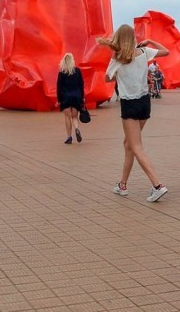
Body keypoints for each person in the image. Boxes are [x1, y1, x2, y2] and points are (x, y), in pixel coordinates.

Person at [98, 25, 169, 202]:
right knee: (129, 144)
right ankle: (122, 184)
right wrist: (151, 41)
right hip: (144, 102)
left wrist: (119, 75)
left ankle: (157, 185)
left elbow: (107, 78)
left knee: (136, 146)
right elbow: (165, 51)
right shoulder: (144, 52)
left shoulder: (118, 57)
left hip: (129, 103)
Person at [56, 53, 85, 144]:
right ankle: (77, 128)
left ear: (63, 62)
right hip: (76, 96)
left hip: (65, 97)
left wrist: (59, 100)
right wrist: (82, 97)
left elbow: (59, 87)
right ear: (73, 61)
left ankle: (69, 137)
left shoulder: (61, 73)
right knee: (75, 116)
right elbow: (81, 85)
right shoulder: (78, 71)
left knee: (67, 117)